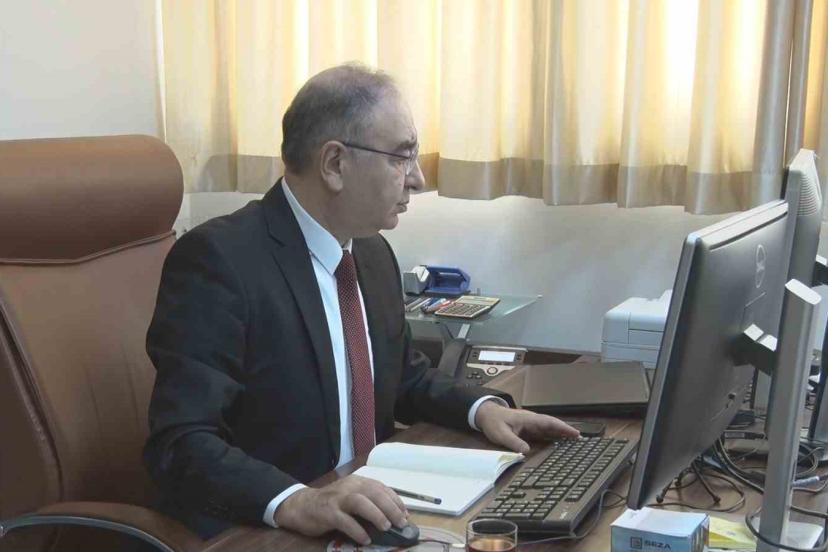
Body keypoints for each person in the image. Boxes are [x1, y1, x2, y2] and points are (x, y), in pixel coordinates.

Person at [143, 63, 579, 545]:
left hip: (372, 515)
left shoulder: (370, 252)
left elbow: (402, 377)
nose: (417, 179)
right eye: (401, 157)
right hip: (274, 529)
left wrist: (483, 410)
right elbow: (182, 442)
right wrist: (296, 499)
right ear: (334, 164)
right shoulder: (220, 261)